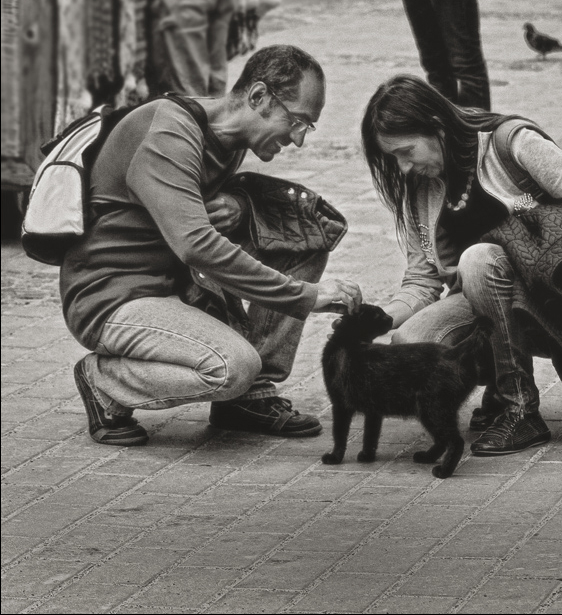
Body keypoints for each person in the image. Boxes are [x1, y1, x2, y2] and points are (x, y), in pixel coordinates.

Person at [61, 45, 362, 447]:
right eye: (297, 122)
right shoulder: (168, 132)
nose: (299, 140)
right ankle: (105, 381)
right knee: (230, 367)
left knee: (305, 232)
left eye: (307, 128)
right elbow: (197, 245)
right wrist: (305, 296)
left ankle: (250, 397)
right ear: (258, 97)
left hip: (174, 284)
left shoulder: (230, 141)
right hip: (113, 296)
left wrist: (239, 205)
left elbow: (193, 213)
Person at [361, 75, 562, 455]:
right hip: (486, 297)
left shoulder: (512, 144)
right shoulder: (422, 186)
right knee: (412, 344)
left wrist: (540, 258)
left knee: (479, 259)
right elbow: (423, 282)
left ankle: (520, 409)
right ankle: (498, 385)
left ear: (437, 128)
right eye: (393, 158)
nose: (403, 167)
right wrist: (373, 320)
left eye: (406, 151)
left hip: (558, 295)